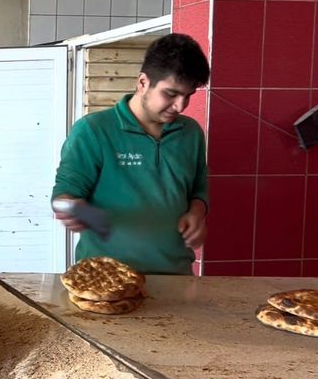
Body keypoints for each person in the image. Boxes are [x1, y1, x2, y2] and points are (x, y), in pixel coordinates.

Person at [52, 33, 210, 275]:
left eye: (188, 96)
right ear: (143, 82)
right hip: (104, 277)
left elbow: (198, 188)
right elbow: (63, 194)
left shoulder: (190, 133)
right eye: (170, 94)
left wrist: (196, 213)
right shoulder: (94, 130)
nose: (180, 106)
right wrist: (73, 207)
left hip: (175, 276)